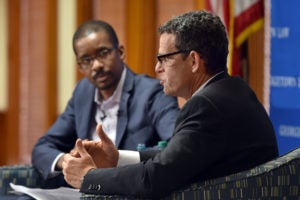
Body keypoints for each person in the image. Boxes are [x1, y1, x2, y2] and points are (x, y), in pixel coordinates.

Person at [62, 10, 279, 199]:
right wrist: (117, 158)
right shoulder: (231, 91)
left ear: (193, 61)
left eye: (164, 58)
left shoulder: (206, 106)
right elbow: (175, 158)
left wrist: (88, 177)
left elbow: (154, 180)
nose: (157, 68)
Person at [31, 19, 179, 188]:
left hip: (127, 190)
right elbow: (43, 147)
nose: (96, 66)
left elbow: (175, 147)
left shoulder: (151, 92)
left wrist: (116, 159)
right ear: (79, 66)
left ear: (121, 52)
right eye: (86, 60)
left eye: (103, 53)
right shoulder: (83, 93)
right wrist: (68, 162)